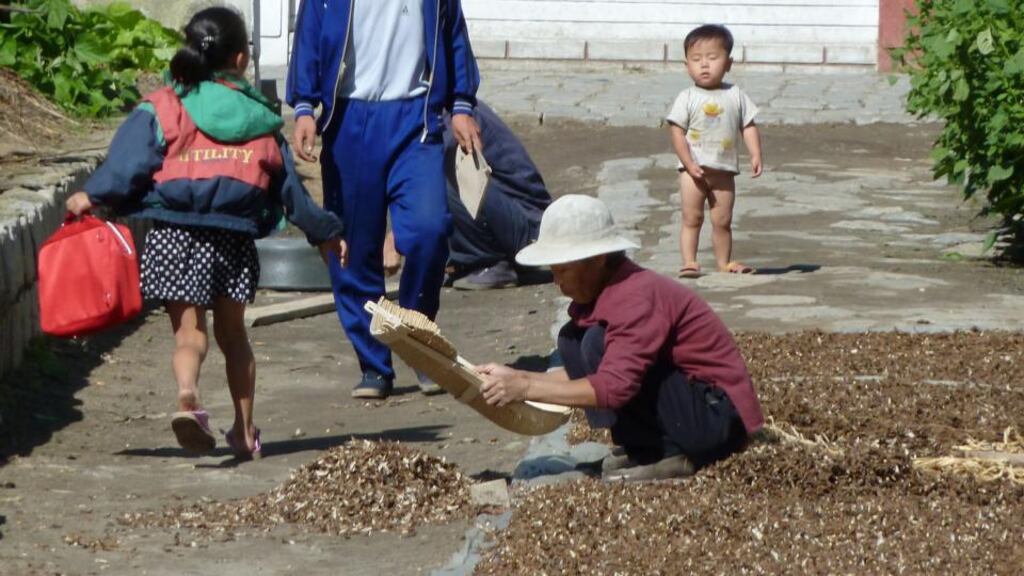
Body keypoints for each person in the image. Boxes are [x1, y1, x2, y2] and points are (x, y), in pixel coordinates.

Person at [65, 7, 347, 459]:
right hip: (232, 240)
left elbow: (128, 162)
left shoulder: (165, 106)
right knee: (234, 337)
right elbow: (292, 193)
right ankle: (244, 429)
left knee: (188, 335)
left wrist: (92, 196)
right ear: (240, 59)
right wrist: (325, 233)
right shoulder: (260, 119)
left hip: (175, 233)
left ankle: (187, 396)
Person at [476, 195, 764, 481]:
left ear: (598, 259)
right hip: (695, 409)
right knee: (573, 339)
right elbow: (599, 373)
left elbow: (613, 386)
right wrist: (515, 377)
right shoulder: (607, 293)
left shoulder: (635, 296)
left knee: (594, 342)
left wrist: (524, 387)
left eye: (563, 269)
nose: (556, 280)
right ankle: (644, 446)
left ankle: (673, 452)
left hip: (717, 419)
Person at [288, 0, 482, 399]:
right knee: (353, 249)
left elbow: (452, 34)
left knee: (429, 230)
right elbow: (309, 36)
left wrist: (461, 104)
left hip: (416, 121)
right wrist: (305, 106)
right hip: (349, 120)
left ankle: (418, 343)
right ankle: (374, 365)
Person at [383, 101, 552, 290]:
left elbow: (426, 185)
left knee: (434, 185)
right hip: (514, 221)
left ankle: (489, 263)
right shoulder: (435, 114)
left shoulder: (451, 118)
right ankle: (477, 257)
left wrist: (396, 236)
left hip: (530, 230)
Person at [667, 24, 763, 279]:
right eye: (696, 59)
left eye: (712, 58)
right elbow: (676, 132)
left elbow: (748, 125)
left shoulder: (736, 95)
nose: (704, 65)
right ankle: (689, 261)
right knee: (692, 218)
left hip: (724, 171)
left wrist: (755, 153)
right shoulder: (686, 97)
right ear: (687, 64)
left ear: (728, 63)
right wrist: (687, 163)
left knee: (722, 221)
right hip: (692, 173)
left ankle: (725, 262)